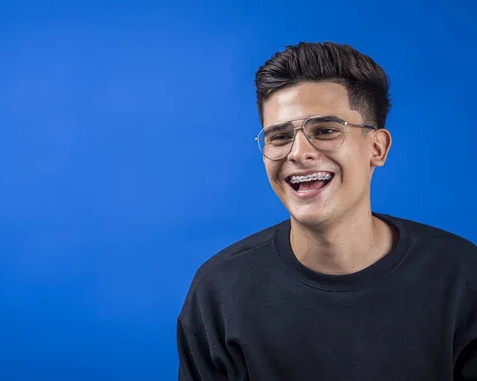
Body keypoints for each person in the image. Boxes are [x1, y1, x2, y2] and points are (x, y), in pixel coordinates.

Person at [176, 42, 477, 380]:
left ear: (377, 148)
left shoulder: (463, 277)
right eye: (279, 136)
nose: (298, 152)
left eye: (325, 131)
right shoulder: (218, 293)